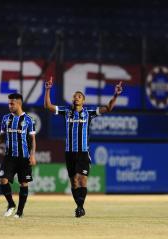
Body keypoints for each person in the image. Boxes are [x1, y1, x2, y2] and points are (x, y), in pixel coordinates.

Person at [44, 76, 123, 217]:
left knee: (83, 179)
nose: (76, 98)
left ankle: (80, 208)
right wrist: (48, 89)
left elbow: (109, 108)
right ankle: (79, 207)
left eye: (79, 96)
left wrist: (116, 94)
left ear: (83, 100)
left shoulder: (89, 113)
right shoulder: (66, 111)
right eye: (75, 96)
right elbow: (48, 106)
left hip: (83, 152)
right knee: (74, 182)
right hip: (69, 152)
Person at [0, 93, 36, 218]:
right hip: (9, 156)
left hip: (24, 157)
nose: (9, 106)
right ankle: (11, 204)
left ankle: (19, 212)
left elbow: (32, 139)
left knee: (23, 183)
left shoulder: (29, 120)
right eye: (9, 103)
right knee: (2, 180)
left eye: (12, 103)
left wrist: (32, 155)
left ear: (19, 103)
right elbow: (2, 134)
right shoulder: (6, 118)